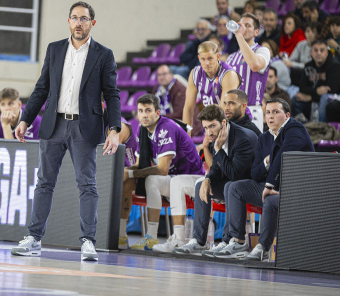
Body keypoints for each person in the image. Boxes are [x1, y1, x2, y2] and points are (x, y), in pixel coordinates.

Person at [10, 1, 121, 261]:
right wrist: (25, 119)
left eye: (84, 18)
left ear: (92, 23)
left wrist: (114, 128)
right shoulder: (55, 49)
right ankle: (34, 238)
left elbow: (112, 94)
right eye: (74, 18)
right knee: (44, 182)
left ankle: (88, 241)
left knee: (87, 184)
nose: (78, 22)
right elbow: (41, 88)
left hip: (85, 126)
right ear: (68, 21)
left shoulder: (103, 54)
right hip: (54, 124)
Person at [219, 98, 314, 260]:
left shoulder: (295, 129)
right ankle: (237, 241)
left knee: (270, 200)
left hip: (298, 190)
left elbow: (283, 155)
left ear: (287, 115)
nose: (270, 116)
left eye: (276, 112)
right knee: (234, 187)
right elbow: (255, 173)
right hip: (270, 188)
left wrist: (270, 184)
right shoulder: (263, 138)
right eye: (268, 112)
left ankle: (262, 247)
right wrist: (267, 162)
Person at [119, 94, 204, 252]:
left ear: (157, 113)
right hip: (174, 178)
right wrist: (123, 172)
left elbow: (162, 169)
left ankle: (175, 239)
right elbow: (138, 165)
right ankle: (139, 236)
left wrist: (130, 174)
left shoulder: (166, 128)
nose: (144, 114)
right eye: (141, 111)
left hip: (194, 179)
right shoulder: (143, 130)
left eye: (148, 110)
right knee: (142, 179)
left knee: (158, 180)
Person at [173, 105, 257, 256]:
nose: (209, 132)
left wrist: (218, 150)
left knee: (230, 187)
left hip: (249, 184)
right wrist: (208, 179)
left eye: (212, 126)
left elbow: (235, 175)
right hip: (232, 182)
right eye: (205, 127)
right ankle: (199, 241)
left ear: (223, 123)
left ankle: (230, 241)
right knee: (200, 184)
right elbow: (217, 169)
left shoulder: (242, 138)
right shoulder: (215, 137)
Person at [226, 13, 271, 132]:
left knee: (251, 149)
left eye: (248, 26)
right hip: (232, 111)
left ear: (256, 32)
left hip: (252, 109)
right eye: (241, 25)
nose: (243, 28)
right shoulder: (231, 57)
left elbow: (255, 65)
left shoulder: (262, 50)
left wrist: (239, 36)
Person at [183, 41, 240, 134]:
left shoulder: (229, 74)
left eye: (210, 58)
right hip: (215, 123)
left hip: (236, 123)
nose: (207, 63)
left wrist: (212, 135)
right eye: (203, 59)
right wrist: (186, 136)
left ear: (218, 56)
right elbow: (188, 108)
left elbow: (225, 110)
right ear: (199, 58)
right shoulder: (195, 73)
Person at [293, 39, 340, 121]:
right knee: (296, 99)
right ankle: (302, 127)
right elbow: (302, 87)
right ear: (311, 53)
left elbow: (331, 90)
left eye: (322, 50)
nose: (318, 53)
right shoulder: (308, 66)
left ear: (327, 52)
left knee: (324, 98)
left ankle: (321, 128)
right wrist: (316, 91)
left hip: (331, 100)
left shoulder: (335, 66)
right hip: (314, 97)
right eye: (315, 50)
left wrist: (311, 97)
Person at [285, 22, 319, 86]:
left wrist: (292, 64)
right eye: (308, 31)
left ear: (317, 34)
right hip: (299, 73)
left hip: (312, 74)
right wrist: (285, 61)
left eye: (313, 32)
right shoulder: (301, 44)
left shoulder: (319, 48)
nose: (310, 34)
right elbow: (290, 60)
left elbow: (310, 67)